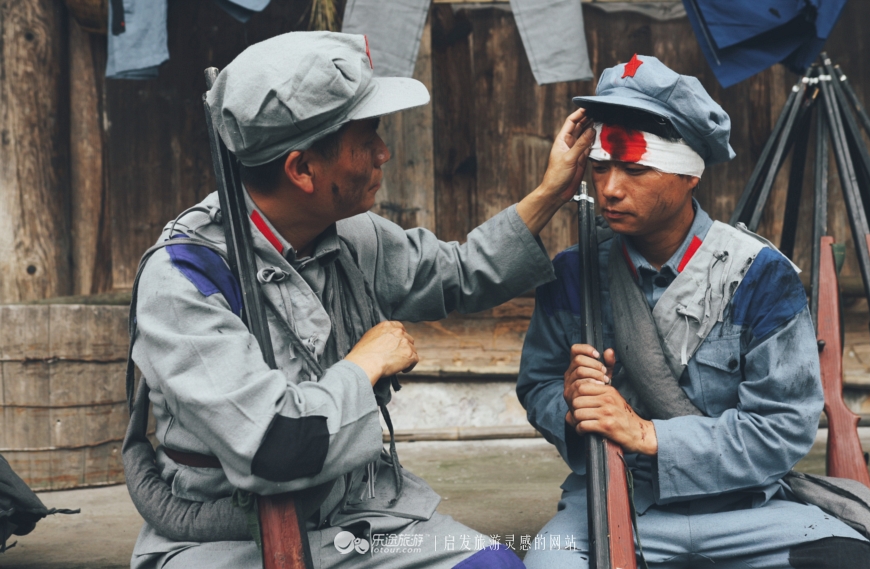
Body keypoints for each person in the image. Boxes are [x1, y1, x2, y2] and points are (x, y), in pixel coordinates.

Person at [127, 32, 594, 569]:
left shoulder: (348, 232)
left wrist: (552, 193)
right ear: (302, 170)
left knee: (496, 566)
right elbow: (275, 447)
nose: (384, 152)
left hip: (358, 518)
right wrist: (365, 363)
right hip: (227, 539)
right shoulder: (185, 279)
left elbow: (458, 274)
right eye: (366, 136)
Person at [517, 55, 870, 568]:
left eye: (634, 168)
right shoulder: (572, 272)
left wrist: (649, 435)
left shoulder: (762, 274)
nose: (609, 188)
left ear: (688, 174)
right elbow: (536, 382)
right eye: (600, 167)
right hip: (618, 500)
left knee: (854, 562)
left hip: (744, 507)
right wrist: (569, 405)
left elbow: (783, 426)